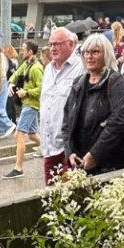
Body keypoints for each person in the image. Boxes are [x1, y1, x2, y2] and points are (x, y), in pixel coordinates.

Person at [63, 34, 124, 176]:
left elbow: (120, 121)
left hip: (110, 165)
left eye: (95, 52)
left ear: (106, 54)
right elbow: (66, 122)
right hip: (80, 163)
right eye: (86, 52)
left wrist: (95, 154)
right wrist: (70, 152)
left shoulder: (115, 81)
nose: (89, 56)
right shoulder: (78, 83)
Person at [39, 27, 83, 185]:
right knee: (50, 198)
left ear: (70, 44)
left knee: (70, 198)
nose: (53, 48)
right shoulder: (48, 69)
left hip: (69, 146)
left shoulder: (80, 67)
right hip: (49, 145)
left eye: (57, 44)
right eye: (51, 44)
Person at [4, 41, 43, 179]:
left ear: (30, 52)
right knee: (32, 134)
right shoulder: (26, 65)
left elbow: (41, 88)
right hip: (28, 104)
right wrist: (10, 83)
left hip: (31, 104)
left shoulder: (36, 68)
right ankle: (46, 150)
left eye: (24, 50)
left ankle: (18, 168)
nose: (21, 52)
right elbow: (15, 75)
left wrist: (26, 92)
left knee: (19, 135)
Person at [2, 44, 20, 124]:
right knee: (11, 104)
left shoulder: (12, 62)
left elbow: (11, 73)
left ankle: (10, 122)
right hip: (12, 84)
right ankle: (12, 121)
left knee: (9, 104)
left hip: (9, 84)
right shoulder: (15, 61)